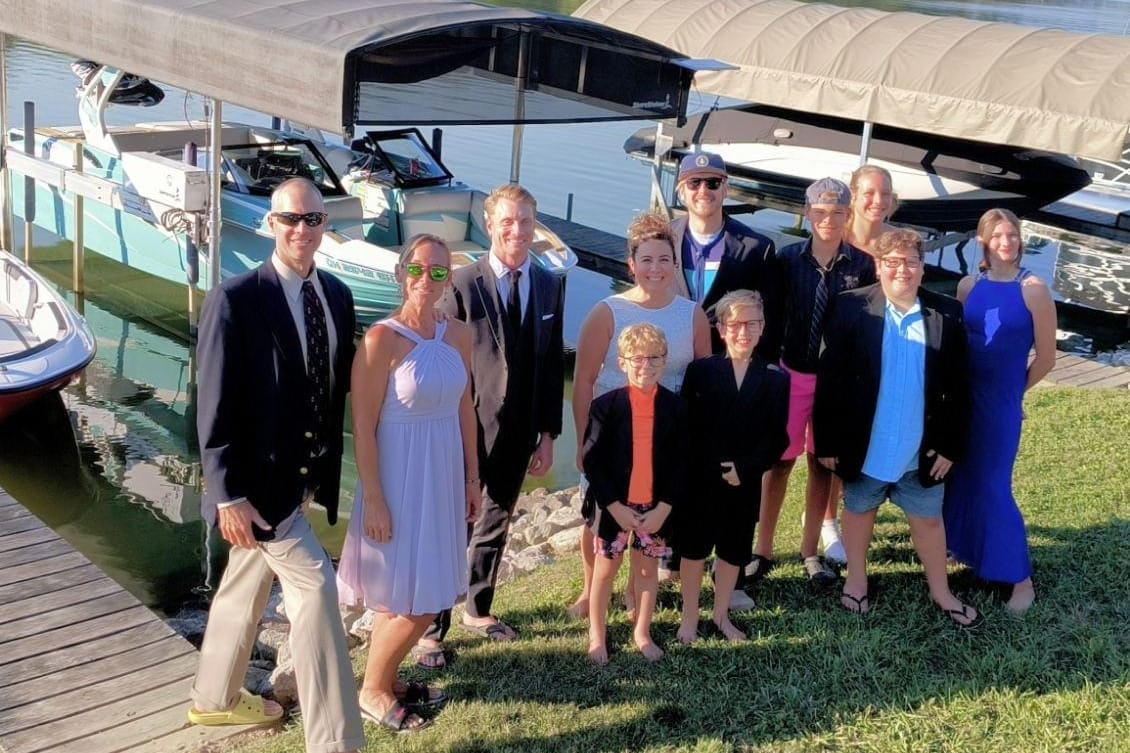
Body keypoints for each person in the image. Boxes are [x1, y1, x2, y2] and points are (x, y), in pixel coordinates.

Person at [189, 177, 364, 753]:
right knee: (316, 592)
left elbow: (335, 386)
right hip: (258, 490)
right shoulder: (235, 300)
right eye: (291, 219)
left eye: (313, 220)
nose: (302, 230)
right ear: (271, 223)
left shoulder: (337, 295)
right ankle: (336, 743)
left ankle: (213, 700)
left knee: (246, 580)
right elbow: (212, 403)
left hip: (305, 480)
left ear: (324, 225)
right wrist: (225, 495)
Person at [414, 184, 565, 667]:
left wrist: (548, 434)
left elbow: (549, 363)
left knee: (496, 522)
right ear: (489, 223)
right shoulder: (461, 284)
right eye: (507, 221)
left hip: (520, 430)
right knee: (450, 526)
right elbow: (441, 360)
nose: (516, 230)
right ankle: (431, 628)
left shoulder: (547, 284)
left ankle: (478, 608)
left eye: (524, 221)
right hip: (465, 428)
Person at [336, 235, 481, 732]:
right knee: (414, 600)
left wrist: (471, 477)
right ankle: (372, 690)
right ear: (401, 274)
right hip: (398, 478)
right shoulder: (380, 340)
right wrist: (374, 499)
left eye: (439, 272)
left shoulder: (458, 334)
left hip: (441, 474)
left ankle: (387, 678)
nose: (427, 280)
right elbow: (364, 426)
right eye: (417, 270)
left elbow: (466, 408)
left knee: (419, 590)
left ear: (448, 280)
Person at [813, 228, 982, 629]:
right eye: (892, 263)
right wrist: (828, 441)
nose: (901, 270)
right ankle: (856, 579)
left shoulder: (947, 313)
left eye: (910, 262)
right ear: (878, 266)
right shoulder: (851, 307)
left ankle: (941, 590)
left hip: (919, 447)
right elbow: (830, 380)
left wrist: (950, 447)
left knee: (927, 520)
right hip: (866, 442)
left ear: (922, 267)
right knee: (858, 510)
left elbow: (960, 386)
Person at [567, 213, 711, 620]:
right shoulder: (607, 311)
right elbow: (583, 380)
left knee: (650, 518)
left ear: (674, 264)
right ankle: (590, 585)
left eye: (664, 259)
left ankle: (637, 589)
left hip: (663, 436)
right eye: (646, 260)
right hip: (610, 435)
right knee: (598, 514)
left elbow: (703, 378)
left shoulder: (692, 315)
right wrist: (582, 442)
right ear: (632, 265)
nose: (655, 268)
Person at [753, 178, 876, 586]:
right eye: (820, 212)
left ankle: (810, 551)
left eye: (837, 212)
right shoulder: (787, 261)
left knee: (822, 464)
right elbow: (770, 321)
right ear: (807, 213)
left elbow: (864, 327)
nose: (828, 220)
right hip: (792, 374)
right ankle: (764, 548)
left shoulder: (862, 265)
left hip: (834, 383)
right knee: (779, 462)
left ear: (848, 214)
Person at [943, 208, 1056, 613]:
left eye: (1012, 235)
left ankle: (1020, 578)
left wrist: (1015, 393)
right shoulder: (968, 285)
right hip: (963, 399)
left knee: (993, 486)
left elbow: (1045, 357)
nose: (1007, 242)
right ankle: (965, 549)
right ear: (983, 243)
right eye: (998, 236)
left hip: (1001, 402)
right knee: (959, 476)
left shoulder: (1034, 289)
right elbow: (958, 344)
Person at [677, 290, 789, 643]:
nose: (744, 331)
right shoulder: (701, 372)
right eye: (736, 324)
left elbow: (777, 438)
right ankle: (689, 617)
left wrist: (747, 468)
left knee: (732, 550)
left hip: (744, 482)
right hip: (701, 480)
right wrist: (702, 467)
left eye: (752, 324)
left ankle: (721, 614)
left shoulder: (775, 377)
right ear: (721, 329)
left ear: (762, 328)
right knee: (694, 550)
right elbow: (687, 426)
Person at [582, 323, 687, 664]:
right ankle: (597, 634)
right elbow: (593, 462)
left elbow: (681, 464)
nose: (646, 365)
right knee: (605, 571)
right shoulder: (604, 407)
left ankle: (642, 631)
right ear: (622, 362)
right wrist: (613, 505)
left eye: (654, 358)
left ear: (665, 360)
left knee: (646, 572)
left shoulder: (676, 408)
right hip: (613, 508)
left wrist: (665, 507)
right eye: (637, 358)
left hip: (655, 508)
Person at [669, 151, 779, 359]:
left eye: (713, 183)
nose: (703, 190)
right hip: (668, 360)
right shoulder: (662, 239)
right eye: (694, 183)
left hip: (725, 367)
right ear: (681, 192)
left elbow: (769, 324)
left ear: (725, 189)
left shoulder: (757, 249)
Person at [844, 165, 900, 256]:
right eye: (869, 193)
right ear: (852, 195)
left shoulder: (903, 243)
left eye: (885, 194)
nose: (878, 201)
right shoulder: (833, 240)